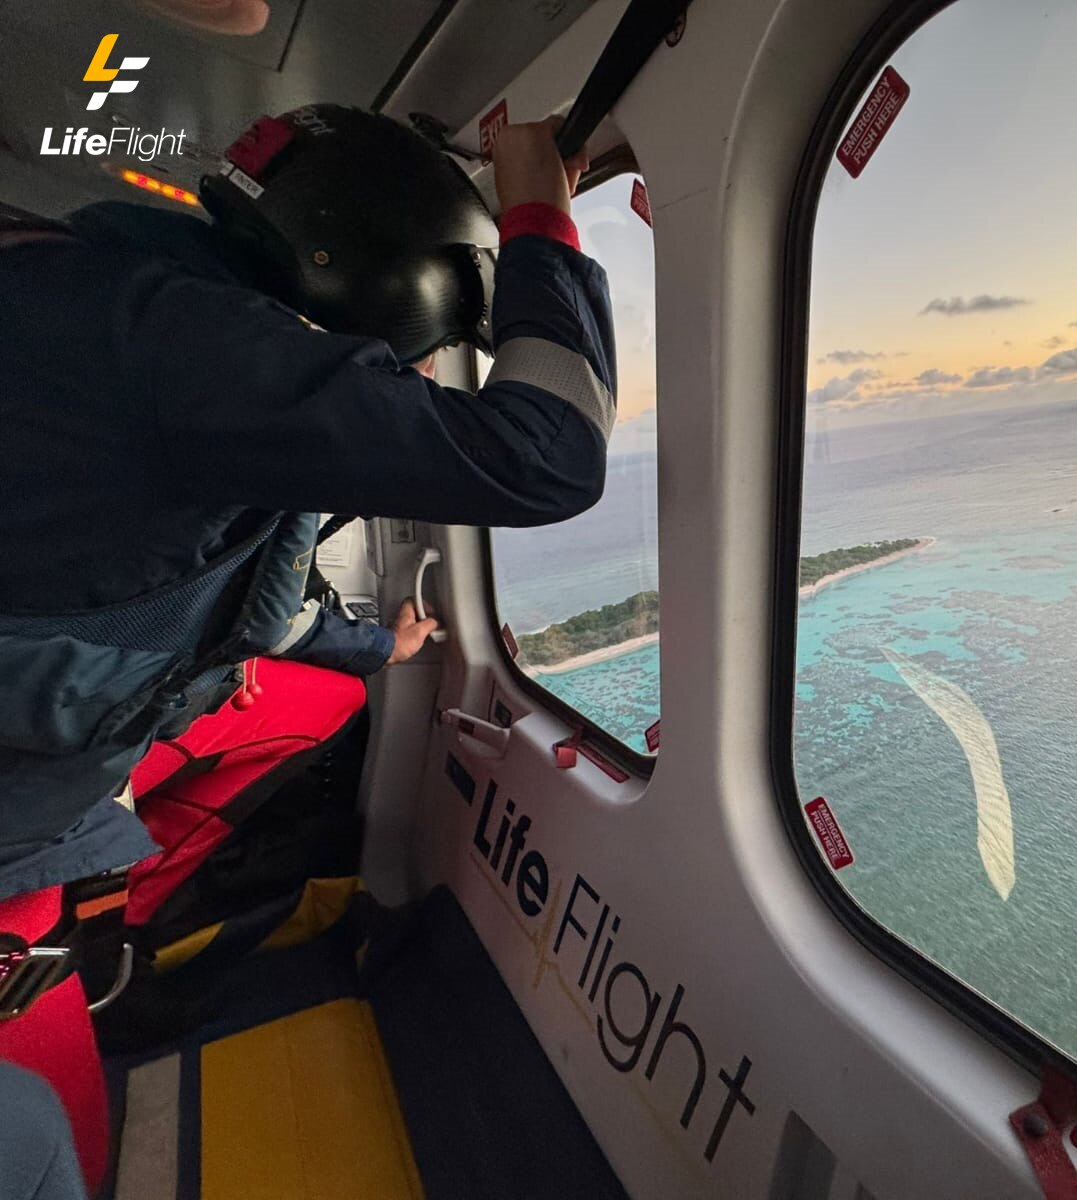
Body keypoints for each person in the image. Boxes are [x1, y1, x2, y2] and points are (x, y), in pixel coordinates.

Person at [0, 106, 614, 1195]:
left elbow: (228, 592)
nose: (415, 386)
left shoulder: (107, 305)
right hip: (19, 822)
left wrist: (378, 640)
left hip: (35, 797)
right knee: (52, 1148)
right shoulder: (190, 351)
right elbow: (549, 458)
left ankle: (119, 931)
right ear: (364, 290)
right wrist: (538, 209)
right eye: (411, 356)